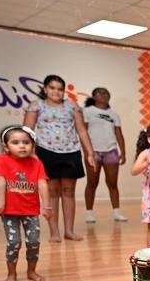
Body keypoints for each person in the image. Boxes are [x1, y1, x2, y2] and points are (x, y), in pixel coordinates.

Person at [23, 74, 96, 242]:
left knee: (69, 192)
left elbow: (82, 131)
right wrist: (29, 153)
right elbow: (27, 130)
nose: (56, 92)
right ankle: (54, 232)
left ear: (64, 91)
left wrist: (90, 152)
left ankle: (69, 231)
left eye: (60, 89)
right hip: (46, 152)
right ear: (45, 89)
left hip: (70, 152)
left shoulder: (73, 107)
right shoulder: (36, 106)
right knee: (52, 193)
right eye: (52, 88)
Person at [0, 126, 52, 281]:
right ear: (6, 146)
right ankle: (11, 274)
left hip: (31, 211)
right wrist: (0, 204)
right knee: (14, 242)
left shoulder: (36, 163)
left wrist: (47, 207)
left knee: (34, 242)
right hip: (10, 211)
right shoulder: (1, 160)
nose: (22, 146)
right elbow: (0, 181)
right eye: (16, 142)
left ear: (32, 145)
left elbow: (42, 184)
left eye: (26, 142)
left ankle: (31, 271)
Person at [82, 87, 127, 223]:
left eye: (106, 93)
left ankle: (116, 212)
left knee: (112, 183)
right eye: (100, 93)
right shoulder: (87, 112)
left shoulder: (114, 115)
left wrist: (123, 152)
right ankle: (89, 213)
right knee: (92, 182)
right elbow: (82, 132)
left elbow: (119, 134)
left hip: (111, 151)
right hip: (93, 152)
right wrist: (87, 151)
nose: (103, 95)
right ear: (94, 96)